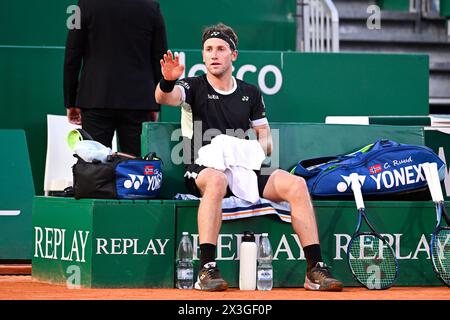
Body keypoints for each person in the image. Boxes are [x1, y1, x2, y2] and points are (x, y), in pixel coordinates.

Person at [155, 23, 343, 292]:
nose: (213, 55)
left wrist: (251, 149)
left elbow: (265, 139)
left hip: (243, 167)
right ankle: (206, 270)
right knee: (218, 180)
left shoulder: (250, 92)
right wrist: (167, 79)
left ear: (234, 55)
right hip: (204, 168)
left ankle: (315, 269)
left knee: (296, 185)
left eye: (220, 49)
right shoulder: (193, 85)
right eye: (208, 50)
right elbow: (165, 98)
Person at [64, 0, 168, 157]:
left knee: (94, 168)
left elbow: (72, 55)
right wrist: (155, 103)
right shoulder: (151, 6)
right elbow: (160, 57)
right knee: (135, 170)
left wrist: (71, 101)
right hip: (138, 101)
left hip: (95, 99)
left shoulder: (84, 5)